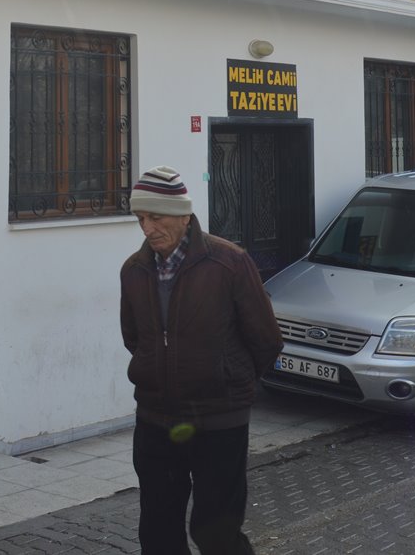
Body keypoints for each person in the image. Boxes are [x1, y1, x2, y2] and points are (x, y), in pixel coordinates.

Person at [119, 165, 284, 555]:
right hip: (156, 421)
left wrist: (228, 378)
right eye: (141, 219)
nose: (147, 228)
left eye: (154, 217)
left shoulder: (229, 263)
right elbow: (135, 338)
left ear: (181, 214)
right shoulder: (134, 270)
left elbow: (265, 339)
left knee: (216, 533)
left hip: (217, 422)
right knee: (157, 533)